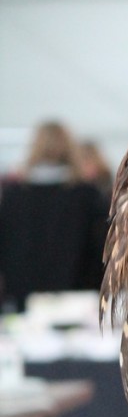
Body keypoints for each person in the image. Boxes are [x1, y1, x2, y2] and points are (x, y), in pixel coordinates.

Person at [0, 120, 108, 312]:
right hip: (77, 300)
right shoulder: (87, 195)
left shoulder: (12, 196)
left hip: (22, 302)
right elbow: (103, 248)